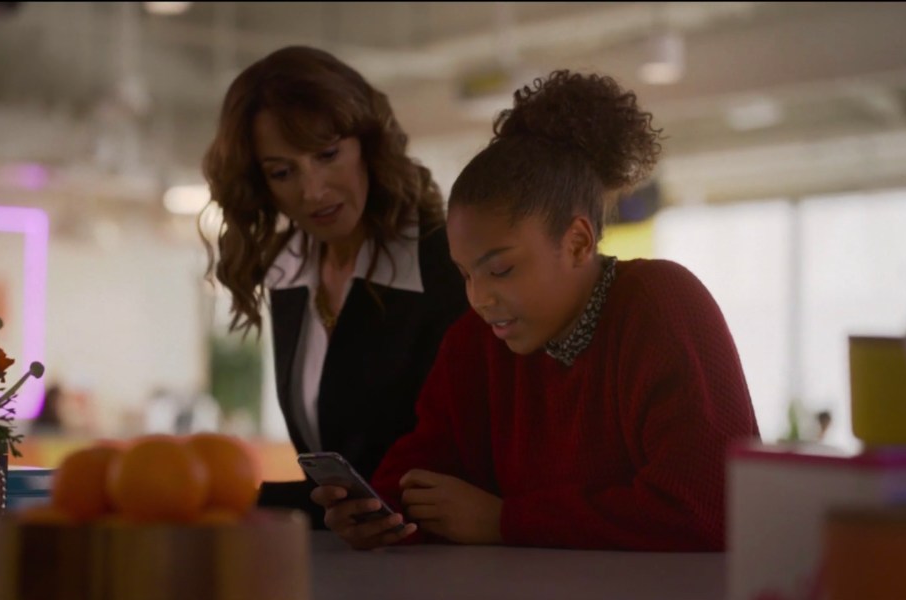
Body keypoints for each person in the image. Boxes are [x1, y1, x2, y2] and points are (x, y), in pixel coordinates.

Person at [313, 70, 761, 551]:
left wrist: (506, 522)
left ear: (577, 242)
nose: (479, 297)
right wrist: (377, 514)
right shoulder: (473, 342)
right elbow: (418, 478)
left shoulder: (660, 305)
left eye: (500, 269)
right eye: (466, 274)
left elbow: (711, 509)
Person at [201, 46, 469, 528]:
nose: (313, 191)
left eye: (327, 155)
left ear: (368, 144)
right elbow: (341, 490)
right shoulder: (289, 273)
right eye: (283, 172)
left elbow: (472, 465)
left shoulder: (446, 266)